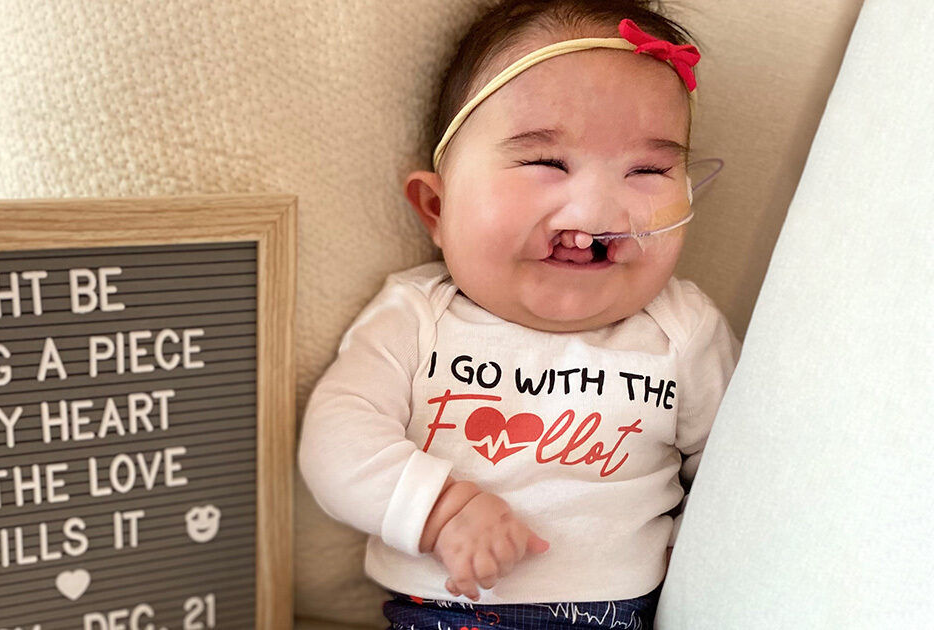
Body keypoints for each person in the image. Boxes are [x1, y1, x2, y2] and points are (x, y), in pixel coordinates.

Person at [297, 0, 741, 627]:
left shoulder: (684, 332)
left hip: (628, 613)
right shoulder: (418, 317)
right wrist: (440, 509)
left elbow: (742, 470)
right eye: (546, 162)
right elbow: (335, 441)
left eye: (648, 169)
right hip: (452, 609)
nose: (597, 210)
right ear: (436, 209)